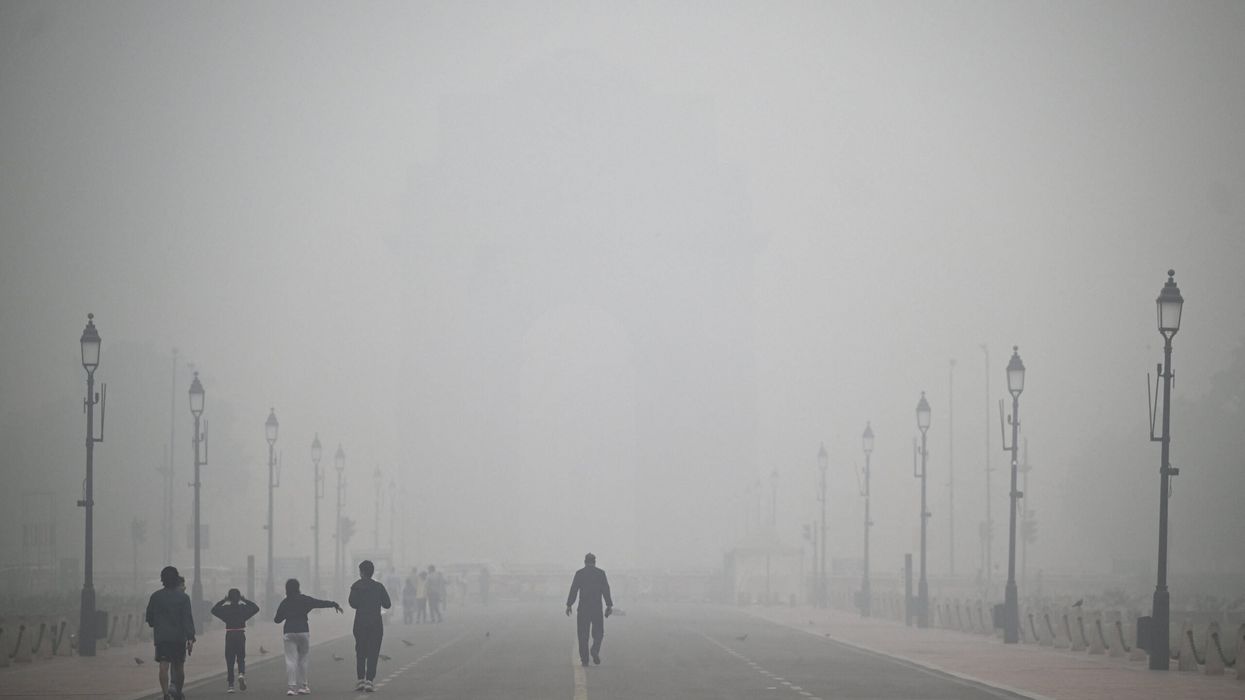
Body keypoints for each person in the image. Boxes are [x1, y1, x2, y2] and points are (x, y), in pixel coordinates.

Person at [273, 578, 342, 696]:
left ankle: (291, 687)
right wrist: (334, 604)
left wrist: (287, 613)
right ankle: (304, 686)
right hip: (303, 631)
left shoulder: (285, 602)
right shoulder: (305, 599)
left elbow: (277, 620)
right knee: (303, 659)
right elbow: (320, 603)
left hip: (289, 632)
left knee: (291, 660)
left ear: (287, 589)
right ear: (298, 587)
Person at [146, 565, 196, 700]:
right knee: (179, 666)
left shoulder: (155, 596)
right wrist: (190, 637)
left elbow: (149, 618)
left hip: (162, 637)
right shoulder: (183, 598)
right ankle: (178, 691)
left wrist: (158, 624)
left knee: (163, 666)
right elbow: (187, 619)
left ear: (162, 579)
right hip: (178, 638)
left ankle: (165, 693)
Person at [349, 560, 392, 692]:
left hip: (360, 622)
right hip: (375, 623)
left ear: (361, 572)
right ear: (372, 572)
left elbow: (352, 603)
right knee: (373, 651)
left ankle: (360, 679)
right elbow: (387, 604)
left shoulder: (356, 586)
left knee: (361, 651)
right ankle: (369, 681)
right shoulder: (379, 587)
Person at [565, 553, 613, 667]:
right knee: (598, 633)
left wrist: (569, 604)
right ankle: (595, 649)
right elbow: (606, 589)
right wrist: (609, 605)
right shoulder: (601, 574)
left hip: (583, 609)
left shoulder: (580, 574)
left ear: (585, 562)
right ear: (595, 562)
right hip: (596, 608)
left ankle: (585, 659)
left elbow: (574, 589)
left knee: (583, 634)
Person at [210, 588, 259, 693]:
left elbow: (213, 610)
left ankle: (231, 685)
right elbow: (255, 608)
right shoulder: (243, 608)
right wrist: (244, 600)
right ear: (239, 597)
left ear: (229, 598)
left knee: (230, 660)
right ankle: (241, 674)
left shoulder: (226, 609)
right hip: (240, 634)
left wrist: (224, 600)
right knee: (241, 657)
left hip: (230, 634)